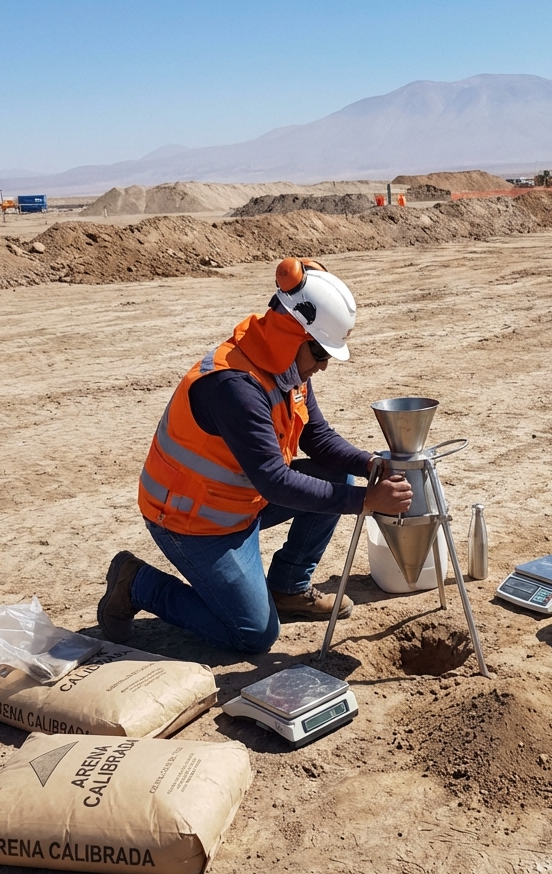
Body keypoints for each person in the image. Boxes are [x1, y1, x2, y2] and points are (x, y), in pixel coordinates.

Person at [96, 257, 413, 653]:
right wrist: (366, 500)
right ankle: (137, 583)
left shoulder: (286, 369)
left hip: (239, 504)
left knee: (339, 477)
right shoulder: (234, 387)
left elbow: (317, 436)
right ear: (291, 336)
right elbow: (275, 481)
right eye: (320, 353)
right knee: (253, 635)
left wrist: (369, 465)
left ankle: (287, 587)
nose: (323, 366)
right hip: (192, 522)